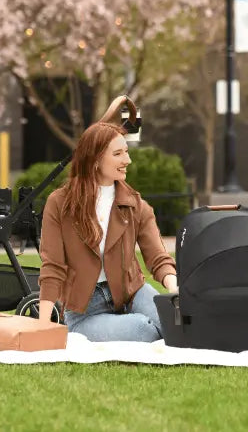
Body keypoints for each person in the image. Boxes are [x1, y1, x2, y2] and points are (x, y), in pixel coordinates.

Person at [37, 121, 178, 342]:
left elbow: (158, 257)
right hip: (85, 311)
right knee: (143, 329)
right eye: (118, 153)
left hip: (132, 293)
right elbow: (52, 267)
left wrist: (174, 288)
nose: (127, 160)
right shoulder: (60, 203)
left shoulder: (134, 204)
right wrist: (43, 326)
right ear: (95, 159)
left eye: (127, 152)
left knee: (176, 325)